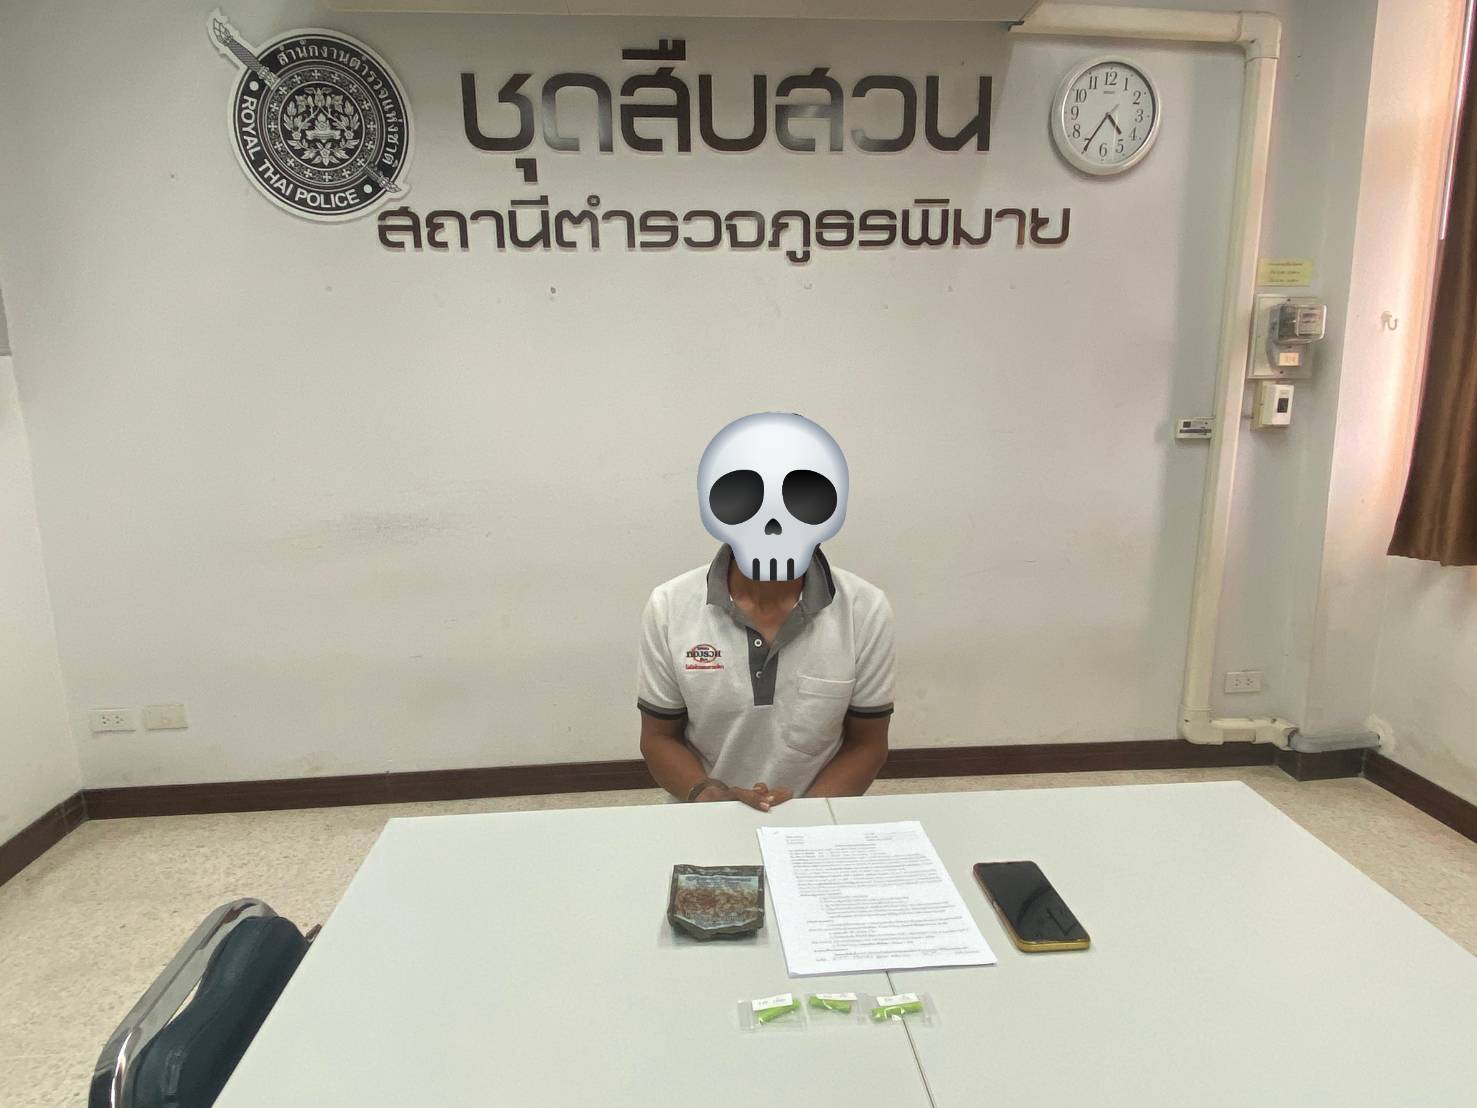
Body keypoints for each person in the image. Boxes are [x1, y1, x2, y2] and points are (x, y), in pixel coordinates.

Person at [637, 546, 895, 808]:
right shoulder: (669, 605)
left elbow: (866, 743)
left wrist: (806, 815)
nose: (773, 528)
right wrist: (712, 798)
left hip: (819, 811)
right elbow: (659, 737)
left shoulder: (864, 608)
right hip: (703, 809)